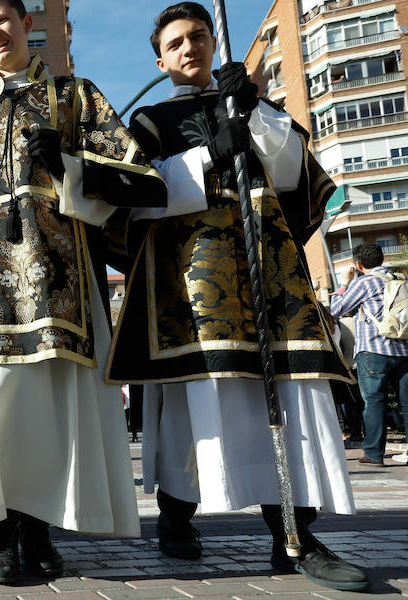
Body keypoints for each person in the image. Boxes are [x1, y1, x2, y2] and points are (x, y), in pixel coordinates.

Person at [105, 3, 368, 592]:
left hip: (269, 278)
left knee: (287, 393)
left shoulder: (256, 105)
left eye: (199, 36)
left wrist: (253, 114)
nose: (190, 48)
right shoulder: (148, 122)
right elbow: (128, 198)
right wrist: (204, 158)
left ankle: (294, 533)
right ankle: (177, 513)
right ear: (161, 59)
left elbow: (297, 178)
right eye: (176, 43)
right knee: (197, 401)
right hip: (192, 287)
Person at [0, 0, 166, 584]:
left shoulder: (76, 96)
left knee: (47, 406)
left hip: (57, 278)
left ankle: (38, 527)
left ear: (28, 25)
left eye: (2, 21)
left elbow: (137, 176)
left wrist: (71, 164)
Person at [329, 243, 408, 466]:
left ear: (358, 264)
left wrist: (344, 284)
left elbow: (337, 310)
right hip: (404, 349)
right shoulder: (400, 279)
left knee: (374, 402)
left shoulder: (364, 282)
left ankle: (373, 455)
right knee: (407, 403)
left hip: (374, 350)